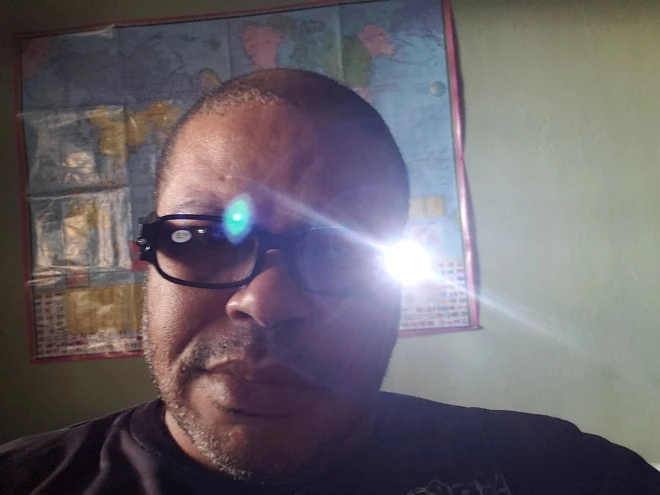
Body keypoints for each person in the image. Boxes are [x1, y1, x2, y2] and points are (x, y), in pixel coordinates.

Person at [1, 69, 658, 495]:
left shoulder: (562, 473)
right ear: (143, 258)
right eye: (204, 239)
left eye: (343, 251)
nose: (265, 301)